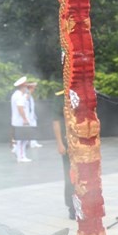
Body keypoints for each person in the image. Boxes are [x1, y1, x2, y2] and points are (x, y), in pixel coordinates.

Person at [52, 90, 76, 220]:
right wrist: (60, 143)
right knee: (70, 174)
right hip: (68, 143)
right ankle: (72, 207)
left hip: (82, 142)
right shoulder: (60, 96)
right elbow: (56, 121)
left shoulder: (83, 92)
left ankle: (86, 203)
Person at [10, 76, 32, 163]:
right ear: (23, 85)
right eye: (26, 83)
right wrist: (25, 119)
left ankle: (19, 153)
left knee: (23, 139)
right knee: (22, 140)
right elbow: (20, 108)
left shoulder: (18, 94)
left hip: (19, 121)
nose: (27, 84)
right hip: (20, 121)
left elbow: (26, 98)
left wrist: (30, 90)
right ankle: (21, 156)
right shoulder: (19, 95)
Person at [26, 81, 43, 148]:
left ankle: (33, 142)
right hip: (27, 116)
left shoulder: (30, 95)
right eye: (33, 88)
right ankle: (26, 143)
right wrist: (31, 86)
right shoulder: (25, 94)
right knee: (27, 129)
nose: (34, 89)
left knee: (33, 128)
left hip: (31, 115)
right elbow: (26, 98)